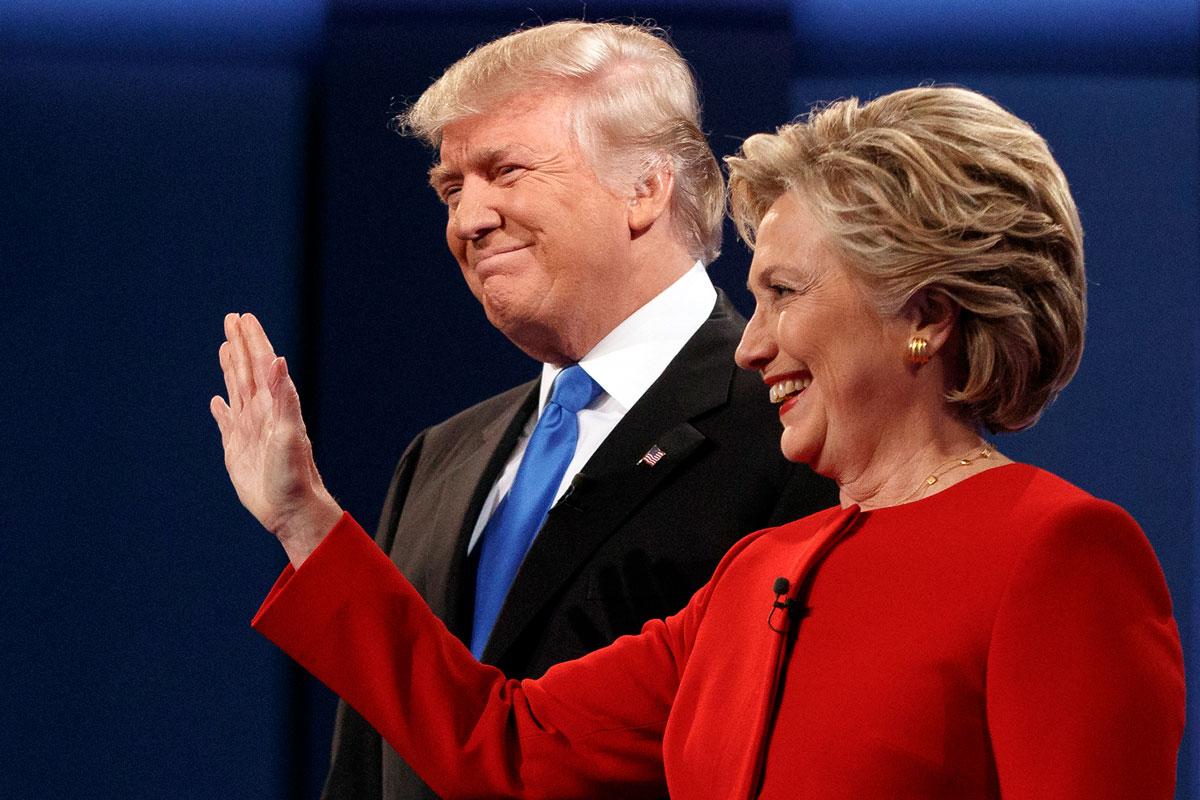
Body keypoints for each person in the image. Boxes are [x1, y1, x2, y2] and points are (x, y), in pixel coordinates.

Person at [215, 86, 1186, 798]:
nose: (752, 343)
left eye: (785, 294)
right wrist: (308, 521)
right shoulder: (754, 575)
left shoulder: (1056, 553)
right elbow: (499, 742)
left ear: (924, 312)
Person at [216, 20, 837, 799]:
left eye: (504, 171)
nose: (467, 222)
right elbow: (372, 765)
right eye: (452, 188)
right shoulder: (441, 457)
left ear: (645, 188)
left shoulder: (792, 428)